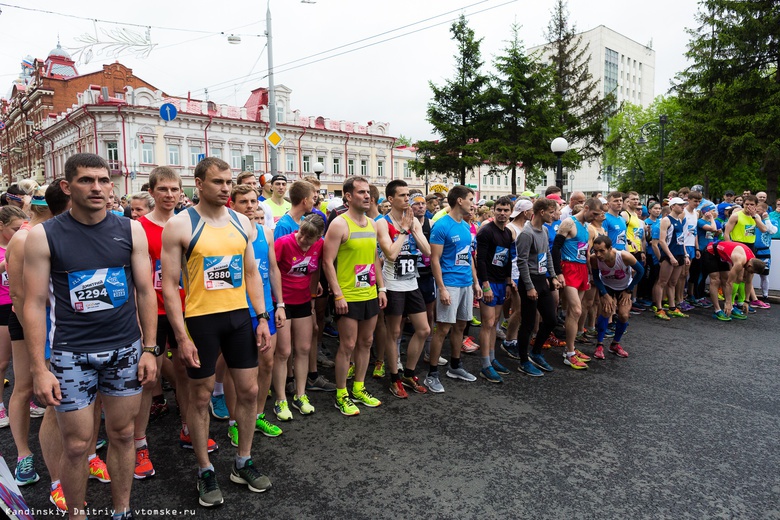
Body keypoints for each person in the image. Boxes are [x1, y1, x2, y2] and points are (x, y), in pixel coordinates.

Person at [24, 153, 159, 520]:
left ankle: (122, 510)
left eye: (103, 180)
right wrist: (39, 367)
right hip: (72, 355)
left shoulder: (130, 229)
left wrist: (149, 348)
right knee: (77, 445)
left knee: (122, 433)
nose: (97, 187)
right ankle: (77, 514)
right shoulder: (43, 236)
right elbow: (34, 305)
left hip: (125, 350)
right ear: (67, 187)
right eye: (86, 180)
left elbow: (146, 291)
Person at [161, 157, 272, 506]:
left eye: (228, 182)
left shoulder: (242, 222)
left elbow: (252, 273)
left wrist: (262, 317)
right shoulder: (179, 225)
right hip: (201, 322)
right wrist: (180, 336)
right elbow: (168, 285)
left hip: (239, 318)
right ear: (199, 183)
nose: (226, 188)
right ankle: (204, 469)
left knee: (250, 390)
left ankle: (243, 461)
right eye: (217, 182)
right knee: (200, 396)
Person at [135, 167, 218, 480]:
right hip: (154, 311)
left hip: (189, 308)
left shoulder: (190, 222)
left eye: (174, 189)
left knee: (186, 370)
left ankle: (188, 428)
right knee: (149, 376)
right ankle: (140, 444)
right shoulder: (139, 227)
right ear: (153, 191)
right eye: (163, 190)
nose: (169, 195)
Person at [322, 176, 387, 416]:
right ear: (348, 196)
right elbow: (327, 262)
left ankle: (359, 388)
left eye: (368, 192)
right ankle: (341, 393)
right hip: (347, 295)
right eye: (361, 192)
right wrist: (337, 294)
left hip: (369, 293)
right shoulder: (339, 224)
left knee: (366, 342)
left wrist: (381, 288)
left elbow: (373, 260)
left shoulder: (372, 223)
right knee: (347, 345)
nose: (367, 196)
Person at [229, 184, 285, 441]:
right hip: (237, 309)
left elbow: (273, 269)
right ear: (233, 205)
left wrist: (280, 304)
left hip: (264, 308)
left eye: (253, 201)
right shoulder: (228, 233)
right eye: (244, 202)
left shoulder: (265, 232)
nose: (250, 206)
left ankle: (258, 415)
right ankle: (234, 421)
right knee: (237, 370)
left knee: (267, 363)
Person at [376, 180, 431, 398]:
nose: (407, 199)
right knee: (394, 332)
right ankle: (394, 378)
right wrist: (404, 231)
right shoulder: (382, 223)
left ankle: (408, 373)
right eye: (402, 195)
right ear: (390, 199)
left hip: (412, 282)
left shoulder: (413, 221)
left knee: (424, 329)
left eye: (408, 195)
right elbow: (390, 253)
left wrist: (414, 228)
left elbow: (427, 251)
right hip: (393, 284)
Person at [425, 185, 483, 393]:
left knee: (460, 327)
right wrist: (441, 288)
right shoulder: (442, 226)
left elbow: (469, 257)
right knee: (443, 329)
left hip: (465, 282)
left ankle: (455, 366)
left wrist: (475, 282)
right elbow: (434, 260)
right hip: (449, 283)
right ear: (459, 200)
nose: (473, 203)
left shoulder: (466, 225)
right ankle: (432, 374)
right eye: (470, 199)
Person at [552, 198, 603, 369]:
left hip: (581, 270)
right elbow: (556, 248)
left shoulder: (588, 228)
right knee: (576, 309)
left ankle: (570, 348)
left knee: (574, 314)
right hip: (568, 268)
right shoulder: (568, 222)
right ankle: (569, 353)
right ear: (586, 208)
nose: (595, 217)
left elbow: (586, 251)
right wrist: (558, 272)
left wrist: (589, 272)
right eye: (594, 214)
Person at [514, 198, 561, 376]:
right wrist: (529, 286)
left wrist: (553, 276)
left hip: (542, 280)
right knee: (527, 323)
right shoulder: (527, 234)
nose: (554, 215)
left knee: (551, 319)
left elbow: (547, 254)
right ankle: (523, 361)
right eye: (551, 212)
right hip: (530, 282)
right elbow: (522, 262)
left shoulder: (544, 230)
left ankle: (536, 352)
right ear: (542, 212)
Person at [475, 196, 514, 383]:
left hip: (500, 282)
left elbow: (506, 261)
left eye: (506, 210)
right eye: (499, 209)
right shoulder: (486, 232)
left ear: (511, 212)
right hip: (489, 282)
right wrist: (485, 285)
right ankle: (485, 365)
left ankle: (492, 358)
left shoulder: (508, 233)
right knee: (488, 323)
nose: (502, 213)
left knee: (495, 321)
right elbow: (480, 260)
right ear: (494, 210)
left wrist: (507, 282)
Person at [590, 235, 645, 359]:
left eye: (602, 251)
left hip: (624, 287)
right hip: (607, 286)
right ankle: (599, 345)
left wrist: (629, 290)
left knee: (624, 315)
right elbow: (596, 278)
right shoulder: (594, 259)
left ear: (610, 249)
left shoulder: (624, 256)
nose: (598, 254)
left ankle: (615, 344)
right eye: (595, 250)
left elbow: (641, 271)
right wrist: (604, 294)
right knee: (606, 311)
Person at [701, 240, 765, 320]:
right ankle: (717, 310)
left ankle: (730, 308)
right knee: (715, 280)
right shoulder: (740, 262)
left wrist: (747, 301)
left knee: (725, 278)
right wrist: (728, 302)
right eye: (751, 271)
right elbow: (730, 283)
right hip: (710, 251)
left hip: (722, 255)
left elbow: (748, 282)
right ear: (749, 266)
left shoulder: (753, 261)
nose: (750, 273)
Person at [652, 197, 689, 320]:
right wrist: (670, 257)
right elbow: (661, 241)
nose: (683, 207)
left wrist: (685, 254)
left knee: (673, 282)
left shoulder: (679, 219)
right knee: (662, 282)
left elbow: (681, 239)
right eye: (680, 205)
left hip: (679, 254)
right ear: (673, 206)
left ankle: (672, 307)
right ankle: (659, 308)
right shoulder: (666, 220)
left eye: (683, 205)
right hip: (669, 254)